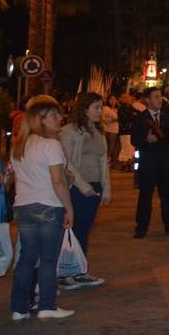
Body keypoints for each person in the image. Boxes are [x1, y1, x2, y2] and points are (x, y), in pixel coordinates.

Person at [8, 94, 76, 321]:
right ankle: (47, 304)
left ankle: (19, 307)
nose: (59, 118)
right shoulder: (51, 145)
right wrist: (69, 207)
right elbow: (57, 181)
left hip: (24, 206)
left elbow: (22, 176)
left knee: (26, 258)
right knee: (48, 259)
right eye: (54, 115)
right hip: (48, 205)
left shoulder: (19, 145)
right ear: (41, 119)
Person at [57, 91, 110, 290]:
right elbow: (66, 162)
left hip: (94, 186)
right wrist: (83, 185)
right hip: (77, 188)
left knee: (84, 229)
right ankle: (68, 273)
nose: (100, 111)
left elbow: (103, 161)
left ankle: (79, 270)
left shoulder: (97, 132)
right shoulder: (69, 131)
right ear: (85, 109)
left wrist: (106, 188)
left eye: (101, 107)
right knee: (74, 229)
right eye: (96, 107)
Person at [132, 85, 169, 238]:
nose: (160, 100)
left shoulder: (168, 115)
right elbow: (134, 139)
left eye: (160, 96)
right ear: (147, 100)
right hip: (148, 164)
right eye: (156, 97)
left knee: (167, 195)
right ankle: (141, 228)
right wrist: (146, 140)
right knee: (145, 196)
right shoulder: (140, 118)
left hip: (166, 162)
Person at [101, 96, 120, 172]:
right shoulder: (105, 108)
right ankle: (106, 162)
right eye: (111, 99)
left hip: (116, 129)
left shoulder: (117, 109)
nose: (113, 101)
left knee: (115, 147)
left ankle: (112, 163)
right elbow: (104, 119)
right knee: (110, 147)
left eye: (114, 99)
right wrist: (114, 119)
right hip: (109, 129)